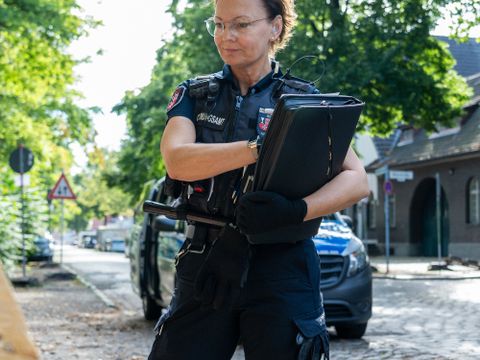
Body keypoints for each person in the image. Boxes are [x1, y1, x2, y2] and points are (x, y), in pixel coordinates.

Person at [149, 0, 369, 359]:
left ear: (275, 27)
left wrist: (296, 211)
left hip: (284, 264)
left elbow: (357, 180)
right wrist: (262, 147)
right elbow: (178, 161)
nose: (226, 36)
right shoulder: (195, 95)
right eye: (218, 24)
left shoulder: (305, 102)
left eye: (241, 24)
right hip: (207, 257)